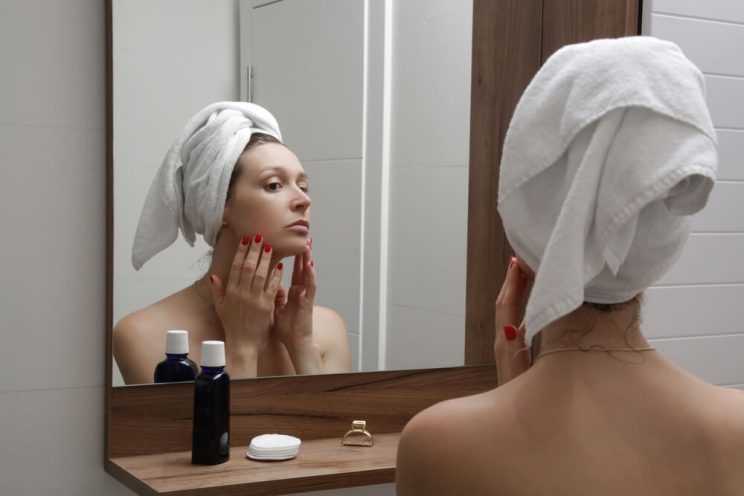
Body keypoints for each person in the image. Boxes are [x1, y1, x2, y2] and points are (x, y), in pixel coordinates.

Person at [396, 37, 744, 495]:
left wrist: (510, 400)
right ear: (665, 242)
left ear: (525, 229)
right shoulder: (735, 429)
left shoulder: (438, 443)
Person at [114, 102, 350, 384]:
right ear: (219, 204)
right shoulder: (143, 335)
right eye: (274, 185)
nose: (303, 200)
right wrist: (242, 349)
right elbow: (212, 431)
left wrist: (302, 346)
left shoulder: (326, 329)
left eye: (303, 186)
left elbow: (337, 430)